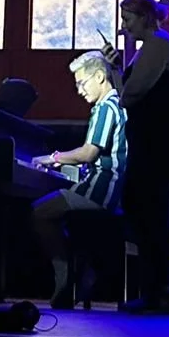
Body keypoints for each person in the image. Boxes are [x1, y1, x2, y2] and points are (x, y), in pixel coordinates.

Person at [105, 0, 169, 314]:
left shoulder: (158, 45)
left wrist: (116, 74)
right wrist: (118, 68)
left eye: (127, 18)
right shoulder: (151, 47)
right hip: (153, 141)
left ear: (144, 17)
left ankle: (159, 290)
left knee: (150, 212)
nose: (124, 25)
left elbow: (130, 95)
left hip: (160, 141)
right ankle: (156, 290)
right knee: (145, 210)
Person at [31, 50, 129, 310]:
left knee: (39, 212)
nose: (79, 90)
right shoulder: (117, 105)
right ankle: (79, 269)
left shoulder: (106, 107)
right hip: (104, 190)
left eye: (82, 83)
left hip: (99, 191)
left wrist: (53, 158)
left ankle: (64, 275)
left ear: (100, 77)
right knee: (56, 213)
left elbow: (88, 153)